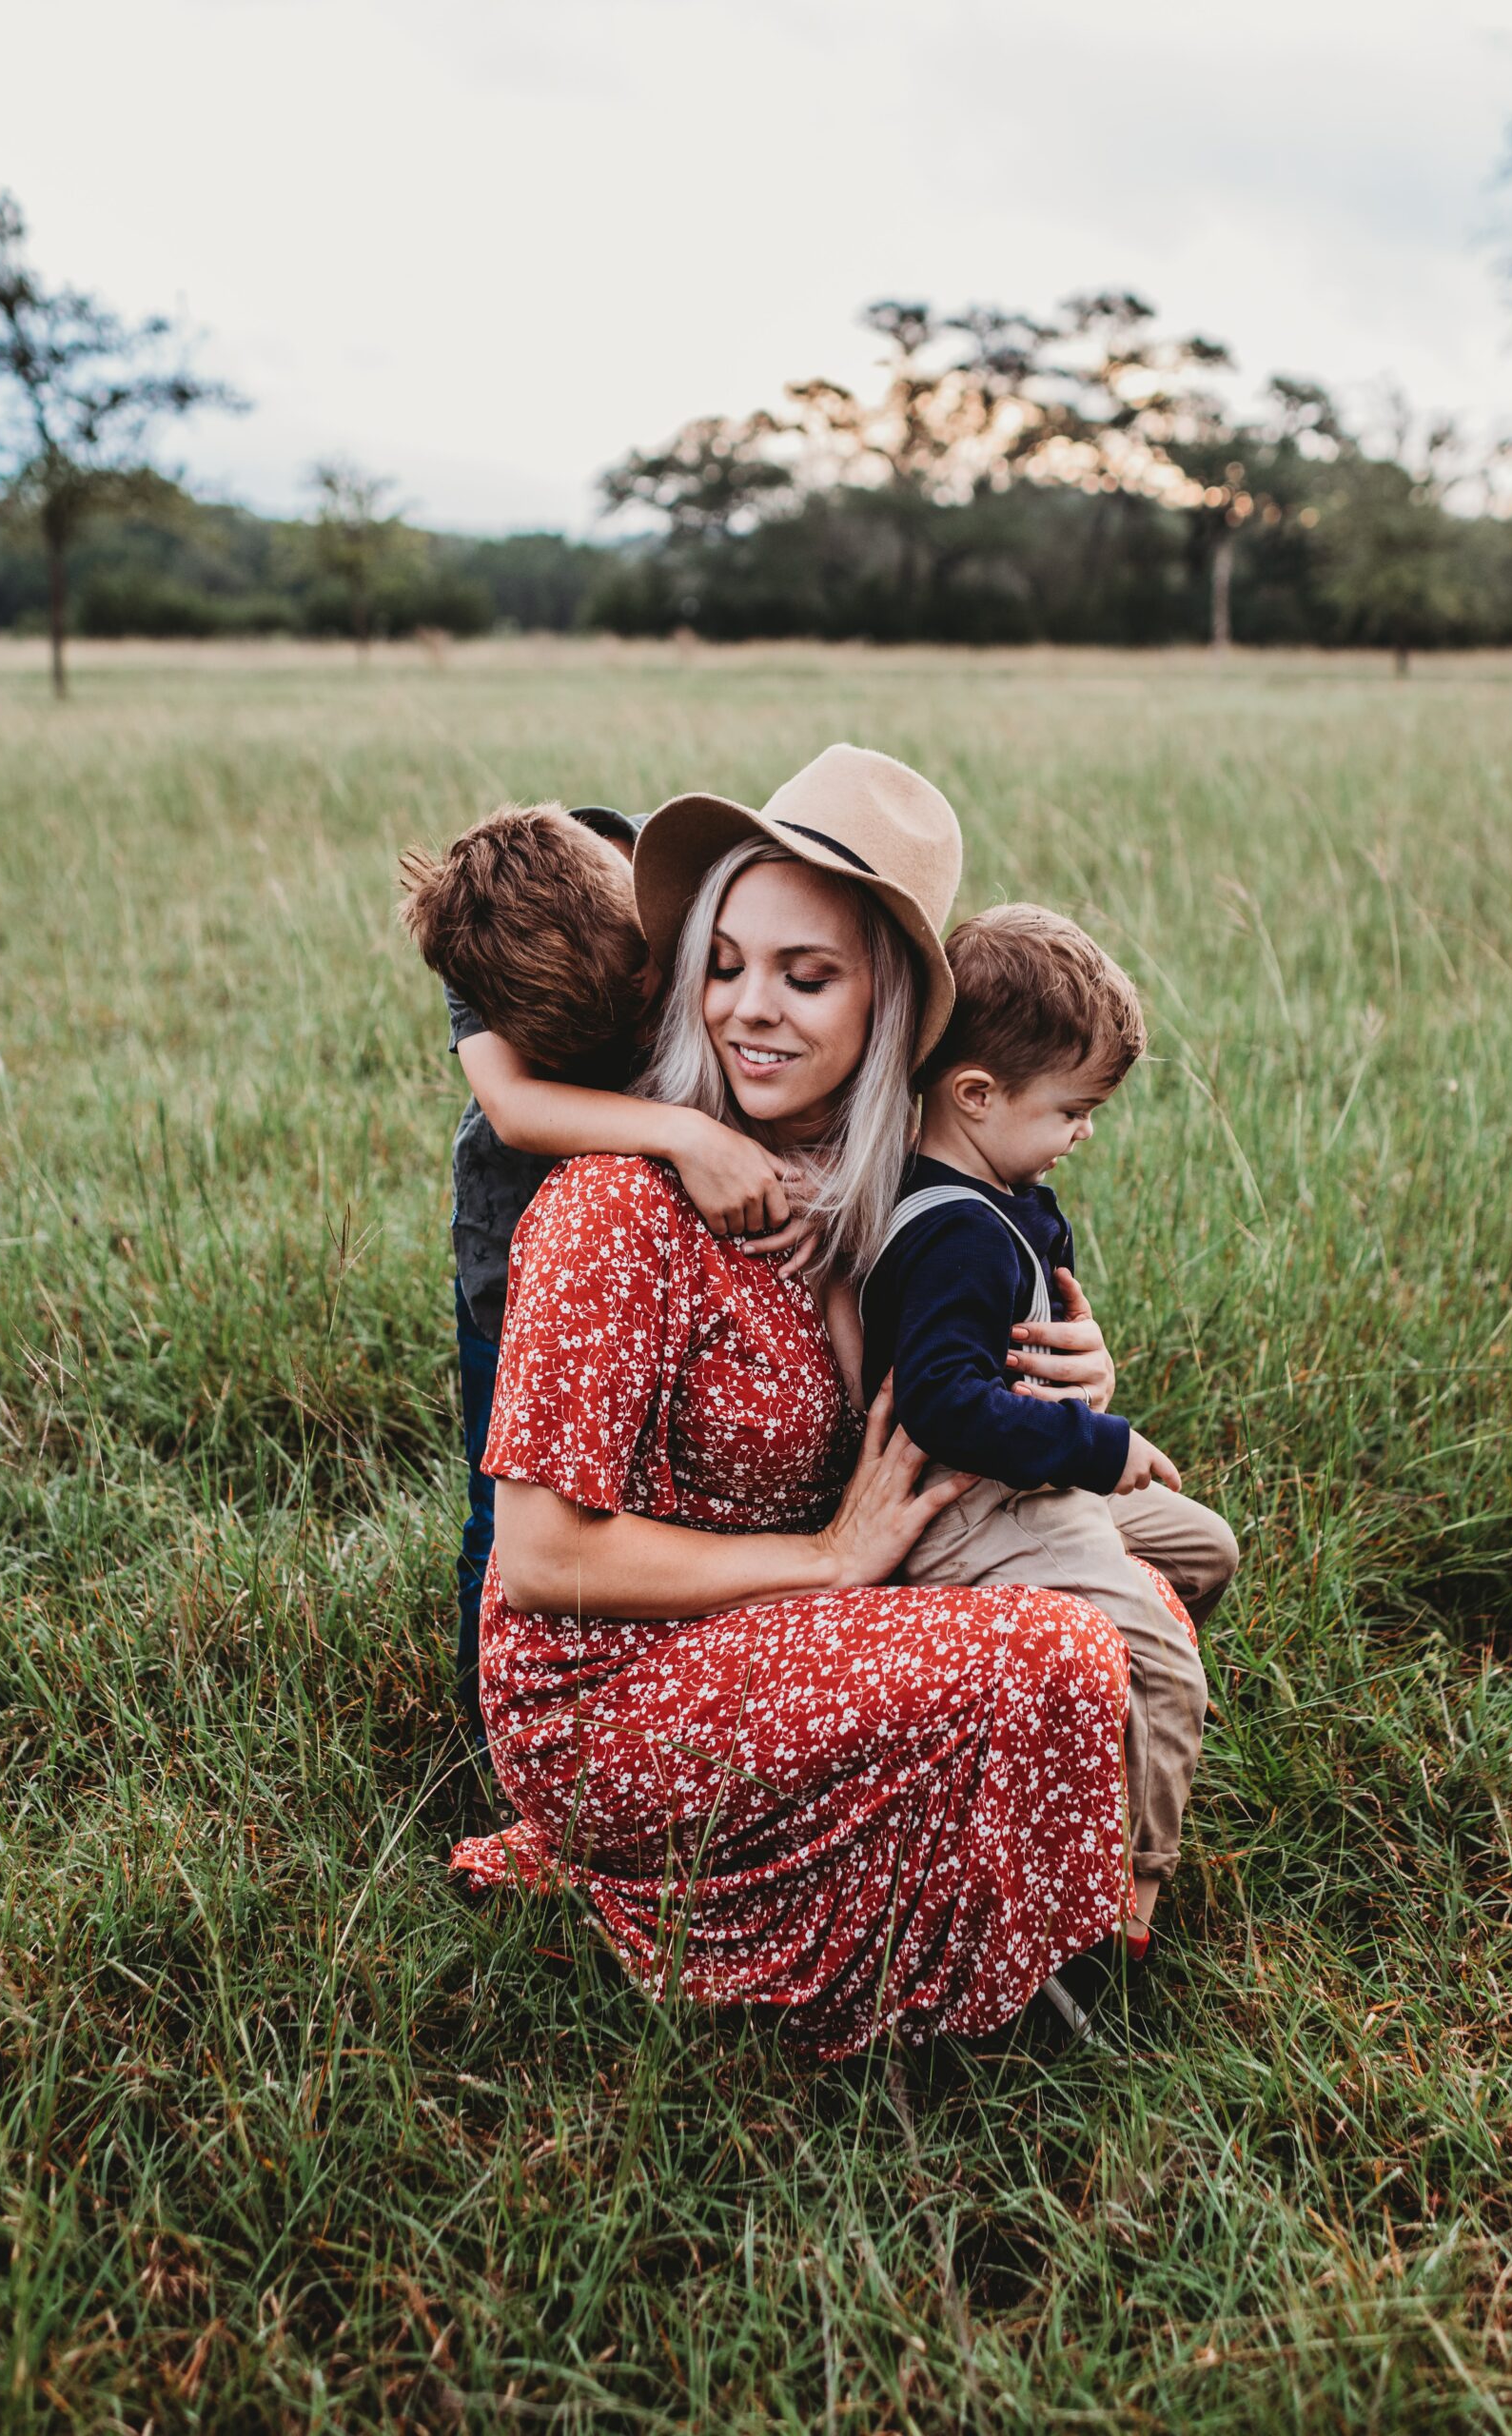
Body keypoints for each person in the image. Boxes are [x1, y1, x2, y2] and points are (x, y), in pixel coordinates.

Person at [448, 743, 1176, 2058]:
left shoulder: (878, 1199)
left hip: (791, 1630)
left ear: (884, 1005)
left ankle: (942, 1898)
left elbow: (971, 1377)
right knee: (1060, 1651)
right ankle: (921, 1986)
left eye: (805, 975)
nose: (747, 1011)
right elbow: (542, 1558)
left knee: (1134, 1597)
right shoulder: (616, 1202)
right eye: (722, 965)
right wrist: (829, 1562)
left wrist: (1080, 1369)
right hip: (617, 1694)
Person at [859, 903, 1239, 1988]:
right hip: (977, 1508)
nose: (1085, 1131)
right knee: (1165, 1660)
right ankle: (1125, 1893)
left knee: (1202, 1549)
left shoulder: (1000, 1193)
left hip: (1031, 1485)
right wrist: (1096, 1443)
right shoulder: (951, 1236)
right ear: (975, 1095)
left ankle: (1090, 1746)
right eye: (1073, 1109)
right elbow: (941, 1404)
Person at [398, 801, 803, 1730]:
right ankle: (490, 1720)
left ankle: (656, 1667)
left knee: (657, 1470)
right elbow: (511, 1105)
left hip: (664, 1245)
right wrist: (681, 1133)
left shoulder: (641, 875)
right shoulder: (485, 935)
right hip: (515, 1242)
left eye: (648, 976)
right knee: (507, 1499)